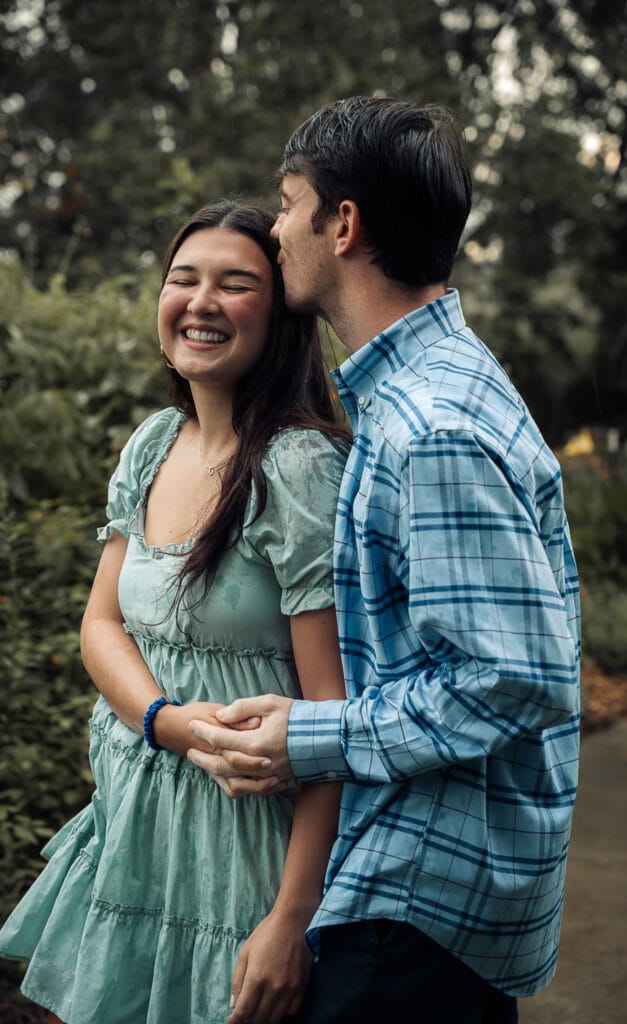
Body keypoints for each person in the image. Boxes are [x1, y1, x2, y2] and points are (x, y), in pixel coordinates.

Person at [186, 98, 582, 1023]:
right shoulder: (435, 385)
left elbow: (511, 678)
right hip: (436, 889)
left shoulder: (428, 425)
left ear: (344, 224)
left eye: (288, 205)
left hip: (421, 902)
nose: (276, 228)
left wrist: (305, 736)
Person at [0, 200, 350, 1024]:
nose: (200, 302)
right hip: (136, 822)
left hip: (248, 851)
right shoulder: (154, 442)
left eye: (235, 284)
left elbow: (335, 718)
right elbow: (101, 623)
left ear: (282, 312)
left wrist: (290, 921)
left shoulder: (298, 469)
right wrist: (168, 722)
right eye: (182, 279)